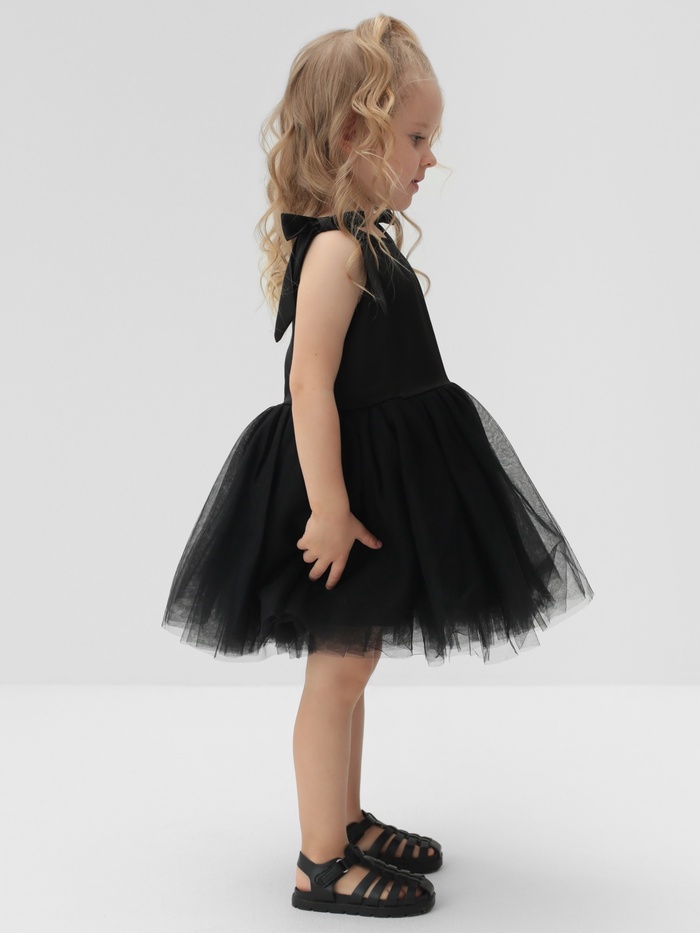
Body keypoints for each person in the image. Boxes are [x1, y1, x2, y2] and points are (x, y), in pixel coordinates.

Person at [161, 14, 594, 918]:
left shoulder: (371, 237)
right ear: (355, 135)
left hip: (385, 479)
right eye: (417, 138)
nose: (430, 159)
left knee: (357, 657)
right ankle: (319, 862)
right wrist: (327, 508)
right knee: (338, 668)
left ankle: (346, 819)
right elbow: (308, 385)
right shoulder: (336, 249)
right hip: (342, 490)